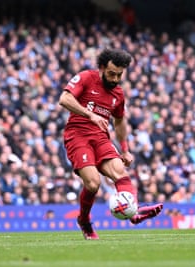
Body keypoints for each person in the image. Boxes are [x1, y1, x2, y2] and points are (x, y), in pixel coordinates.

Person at [58, 48, 163, 240]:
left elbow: (120, 121)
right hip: (78, 135)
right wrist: (90, 114)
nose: (115, 79)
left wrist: (125, 149)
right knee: (93, 184)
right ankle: (84, 221)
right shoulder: (86, 78)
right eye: (111, 74)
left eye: (119, 75)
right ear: (101, 68)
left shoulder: (118, 94)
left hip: (101, 138)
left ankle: (133, 211)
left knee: (120, 172)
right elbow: (64, 98)